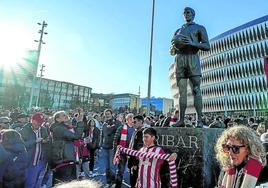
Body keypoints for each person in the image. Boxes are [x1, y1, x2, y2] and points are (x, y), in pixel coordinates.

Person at [170, 7, 210, 127]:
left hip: (192, 58)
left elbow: (207, 45)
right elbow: (171, 51)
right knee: (182, 93)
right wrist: (173, 48)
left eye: (188, 12)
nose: (186, 15)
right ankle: (181, 120)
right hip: (180, 59)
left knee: (196, 90)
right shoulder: (177, 31)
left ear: (193, 14)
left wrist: (193, 43)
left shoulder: (199, 28)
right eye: (184, 13)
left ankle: (199, 121)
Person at [19, 112, 50, 188]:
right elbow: (22, 145)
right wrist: (35, 141)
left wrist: (46, 141)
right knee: (26, 183)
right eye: (37, 122)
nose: (39, 124)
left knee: (35, 183)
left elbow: (47, 139)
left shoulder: (43, 129)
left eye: (41, 122)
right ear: (32, 120)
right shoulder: (24, 130)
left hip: (39, 161)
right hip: (28, 161)